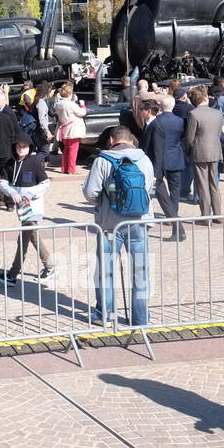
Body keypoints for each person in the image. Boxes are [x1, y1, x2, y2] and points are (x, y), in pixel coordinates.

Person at [83, 126, 154, 328]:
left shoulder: (103, 161)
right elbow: (149, 187)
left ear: (112, 139)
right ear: (131, 140)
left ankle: (105, 314)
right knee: (140, 269)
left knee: (106, 270)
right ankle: (140, 317)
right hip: (139, 221)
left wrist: (103, 201)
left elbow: (90, 192)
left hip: (109, 224)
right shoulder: (144, 159)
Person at [0, 134, 55, 285]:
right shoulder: (10, 163)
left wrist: (30, 194)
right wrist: (12, 192)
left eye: (24, 146)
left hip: (33, 207)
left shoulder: (34, 162)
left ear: (30, 147)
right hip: (22, 209)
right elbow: (3, 183)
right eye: (19, 146)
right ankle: (47, 267)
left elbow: (45, 183)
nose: (21, 148)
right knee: (30, 238)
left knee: (26, 238)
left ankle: (14, 274)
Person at [142, 94, 186, 242]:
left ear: (148, 111)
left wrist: (155, 174)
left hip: (156, 171)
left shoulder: (156, 126)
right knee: (166, 201)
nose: (140, 112)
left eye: (142, 109)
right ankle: (178, 230)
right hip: (157, 168)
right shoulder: (151, 125)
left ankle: (178, 230)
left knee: (166, 202)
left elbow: (158, 152)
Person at [184, 85, 223, 223]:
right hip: (215, 150)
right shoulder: (218, 113)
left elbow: (189, 138)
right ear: (205, 97)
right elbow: (219, 133)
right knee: (214, 184)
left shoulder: (193, 114)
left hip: (199, 151)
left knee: (202, 185)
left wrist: (188, 151)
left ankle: (206, 216)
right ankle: (218, 215)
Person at [52, 81, 87, 174]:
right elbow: (82, 113)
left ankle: (65, 168)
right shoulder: (71, 104)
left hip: (64, 129)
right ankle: (71, 169)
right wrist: (83, 105)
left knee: (66, 150)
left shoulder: (58, 104)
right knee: (73, 150)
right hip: (73, 129)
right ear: (69, 93)